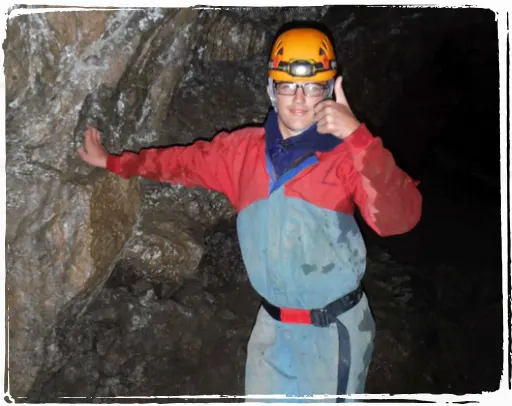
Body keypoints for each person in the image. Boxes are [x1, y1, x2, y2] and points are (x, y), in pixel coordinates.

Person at [77, 25, 422, 402]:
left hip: (333, 330)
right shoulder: (241, 152)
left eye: (313, 87)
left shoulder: (347, 158)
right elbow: (179, 162)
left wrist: (359, 137)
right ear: (272, 89)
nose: (301, 99)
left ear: (330, 92)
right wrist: (113, 162)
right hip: (272, 327)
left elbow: (398, 218)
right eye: (289, 85)